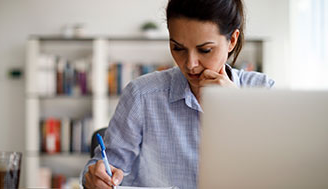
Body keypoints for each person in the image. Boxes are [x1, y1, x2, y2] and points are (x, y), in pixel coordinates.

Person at [81, 0, 275, 188]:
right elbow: (102, 167)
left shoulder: (263, 92)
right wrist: (95, 178)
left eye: (205, 50)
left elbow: (276, 171)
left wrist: (238, 108)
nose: (190, 64)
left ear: (232, 40)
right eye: (178, 48)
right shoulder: (142, 95)